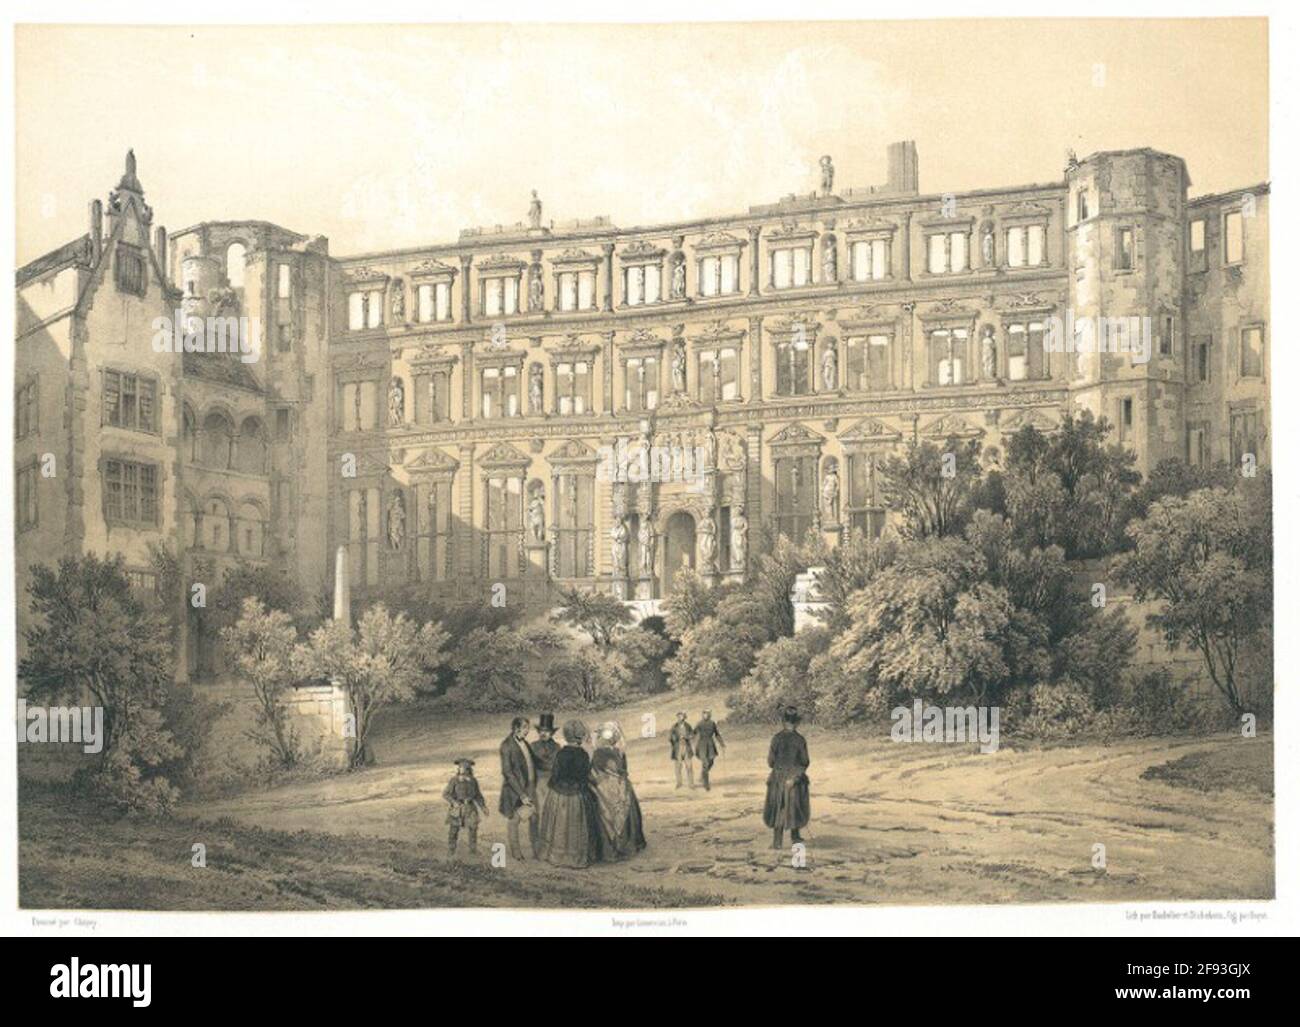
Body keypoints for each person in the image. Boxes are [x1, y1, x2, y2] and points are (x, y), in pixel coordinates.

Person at [537, 720, 601, 868]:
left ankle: (556, 856)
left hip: (559, 795)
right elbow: (584, 776)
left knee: (559, 826)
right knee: (576, 826)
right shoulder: (583, 755)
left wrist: (554, 785)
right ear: (580, 736)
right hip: (577, 795)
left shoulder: (561, 754)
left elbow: (556, 775)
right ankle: (575, 858)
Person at [589, 722, 646, 861]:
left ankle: (612, 848)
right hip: (619, 787)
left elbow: (593, 772)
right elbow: (623, 771)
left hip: (606, 788)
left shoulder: (600, 752)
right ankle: (624, 845)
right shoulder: (617, 752)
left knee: (606, 812)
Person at [763, 706, 811, 850]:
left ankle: (777, 842)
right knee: (794, 806)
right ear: (796, 723)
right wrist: (795, 778)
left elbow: (770, 762)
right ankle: (795, 836)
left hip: (778, 778)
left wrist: (780, 771)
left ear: (783, 722)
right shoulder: (800, 739)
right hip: (794, 778)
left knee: (779, 808)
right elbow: (805, 762)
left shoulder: (776, 738)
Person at [498, 716, 538, 861]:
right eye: (525, 727)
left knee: (534, 817)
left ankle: (536, 850)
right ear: (516, 728)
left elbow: (534, 763)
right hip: (515, 790)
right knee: (514, 820)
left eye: (528, 727)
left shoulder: (525, 743)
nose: (528, 731)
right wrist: (521, 794)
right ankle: (516, 853)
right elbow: (507, 773)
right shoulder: (506, 746)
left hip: (530, 786)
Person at [443, 758, 488, 857]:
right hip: (457, 808)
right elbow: (446, 794)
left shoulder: (473, 781)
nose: (462, 770)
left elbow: (478, 795)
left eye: (464, 768)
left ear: (469, 769)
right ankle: (451, 851)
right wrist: (453, 802)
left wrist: (483, 807)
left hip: (470, 808)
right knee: (454, 831)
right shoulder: (454, 780)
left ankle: (473, 852)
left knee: (473, 829)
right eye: (460, 768)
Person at [531, 712, 561, 814]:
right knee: (539, 810)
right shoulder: (533, 746)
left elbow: (557, 766)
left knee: (553, 811)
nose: (543, 733)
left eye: (547, 731)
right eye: (541, 731)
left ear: (552, 733)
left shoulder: (557, 747)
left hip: (552, 782)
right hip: (537, 782)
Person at [694, 710, 725, 791]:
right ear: (702, 715)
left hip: (710, 745)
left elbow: (717, 734)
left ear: (710, 715)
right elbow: (693, 732)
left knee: (711, 762)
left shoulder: (712, 723)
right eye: (704, 714)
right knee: (705, 763)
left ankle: (702, 775)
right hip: (702, 745)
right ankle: (706, 784)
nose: (706, 715)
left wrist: (722, 743)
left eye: (707, 714)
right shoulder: (699, 723)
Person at [669, 711, 695, 789]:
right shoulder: (674, 726)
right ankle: (679, 783)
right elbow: (671, 737)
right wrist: (677, 738)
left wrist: (686, 737)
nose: (679, 718)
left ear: (684, 717)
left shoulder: (688, 726)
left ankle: (691, 784)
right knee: (678, 767)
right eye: (678, 717)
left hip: (687, 748)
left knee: (689, 767)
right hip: (678, 749)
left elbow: (692, 735)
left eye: (681, 716)